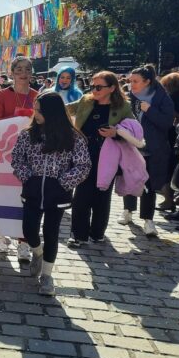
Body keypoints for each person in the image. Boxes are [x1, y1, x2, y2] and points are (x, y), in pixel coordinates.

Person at [11, 92, 91, 296]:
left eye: (39, 110)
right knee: (29, 230)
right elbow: (17, 159)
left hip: (58, 196)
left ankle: (47, 276)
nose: (35, 113)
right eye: (35, 109)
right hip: (32, 192)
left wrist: (63, 182)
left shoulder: (73, 137)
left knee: (51, 232)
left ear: (52, 112)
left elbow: (83, 165)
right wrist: (28, 177)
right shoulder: (28, 135)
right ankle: (37, 252)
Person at [67, 71, 134, 247]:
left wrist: (116, 132)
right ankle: (78, 235)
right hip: (84, 154)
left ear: (112, 88)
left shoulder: (123, 107)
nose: (94, 90)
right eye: (92, 86)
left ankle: (97, 233)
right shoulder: (86, 100)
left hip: (108, 156)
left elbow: (134, 131)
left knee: (102, 195)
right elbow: (65, 109)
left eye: (98, 87)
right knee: (81, 195)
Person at [0, 56, 39, 259]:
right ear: (12, 72)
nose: (23, 73)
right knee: (2, 195)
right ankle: (0, 235)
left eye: (27, 69)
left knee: (27, 200)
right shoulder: (0, 96)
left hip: (30, 158)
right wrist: (18, 118)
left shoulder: (38, 96)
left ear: (31, 73)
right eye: (19, 69)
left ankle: (24, 241)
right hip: (4, 156)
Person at [118, 65, 174, 237]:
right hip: (131, 147)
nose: (131, 84)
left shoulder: (162, 97)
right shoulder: (129, 97)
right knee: (129, 178)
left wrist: (149, 110)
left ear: (147, 82)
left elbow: (167, 123)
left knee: (148, 184)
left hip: (152, 148)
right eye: (130, 81)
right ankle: (128, 210)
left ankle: (148, 219)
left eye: (135, 81)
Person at [159, 72, 179, 213]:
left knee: (167, 169)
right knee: (173, 168)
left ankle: (168, 200)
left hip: (170, 137)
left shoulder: (169, 100)